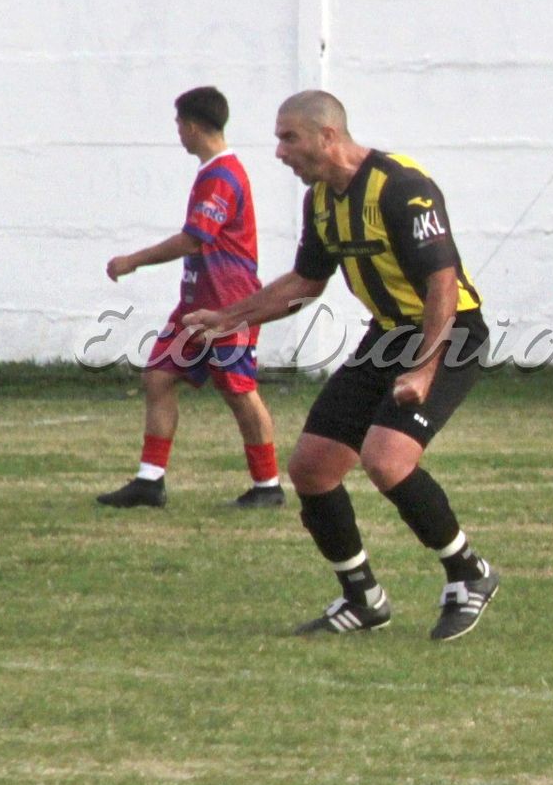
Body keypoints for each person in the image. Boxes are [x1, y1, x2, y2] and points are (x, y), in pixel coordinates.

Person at [183, 90, 498, 642]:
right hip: (387, 336)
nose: (279, 152)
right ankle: (363, 598)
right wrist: (231, 316)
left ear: (327, 136)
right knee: (311, 468)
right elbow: (306, 282)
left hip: (448, 335)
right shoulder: (323, 201)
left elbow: (442, 283)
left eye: (289, 137)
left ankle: (469, 573)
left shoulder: (401, 188)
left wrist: (424, 369)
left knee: (386, 459)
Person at [97, 86, 286, 510]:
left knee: (239, 391)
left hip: (227, 306)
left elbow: (194, 240)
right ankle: (150, 481)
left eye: (180, 124)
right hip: (196, 304)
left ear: (195, 126)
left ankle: (268, 486)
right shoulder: (213, 172)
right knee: (159, 377)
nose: (178, 133)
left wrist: (133, 260)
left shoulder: (222, 176)